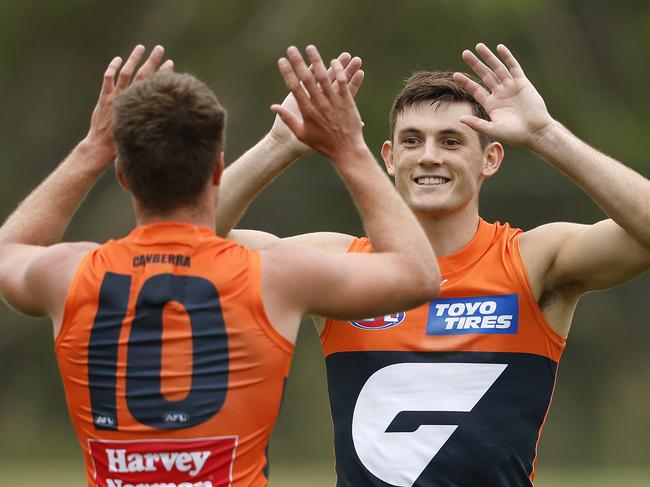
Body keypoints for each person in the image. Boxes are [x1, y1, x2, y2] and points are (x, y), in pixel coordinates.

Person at [0, 44, 439, 487]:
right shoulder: (275, 275)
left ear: (123, 175)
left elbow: (7, 249)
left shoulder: (67, 273)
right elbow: (419, 274)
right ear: (217, 171)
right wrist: (347, 146)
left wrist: (93, 147)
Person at [214, 43, 650, 486]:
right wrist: (280, 145)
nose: (428, 155)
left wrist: (544, 134)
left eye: (451, 141)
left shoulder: (533, 261)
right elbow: (191, 242)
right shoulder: (343, 267)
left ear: (491, 159)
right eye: (411, 140)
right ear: (388, 158)